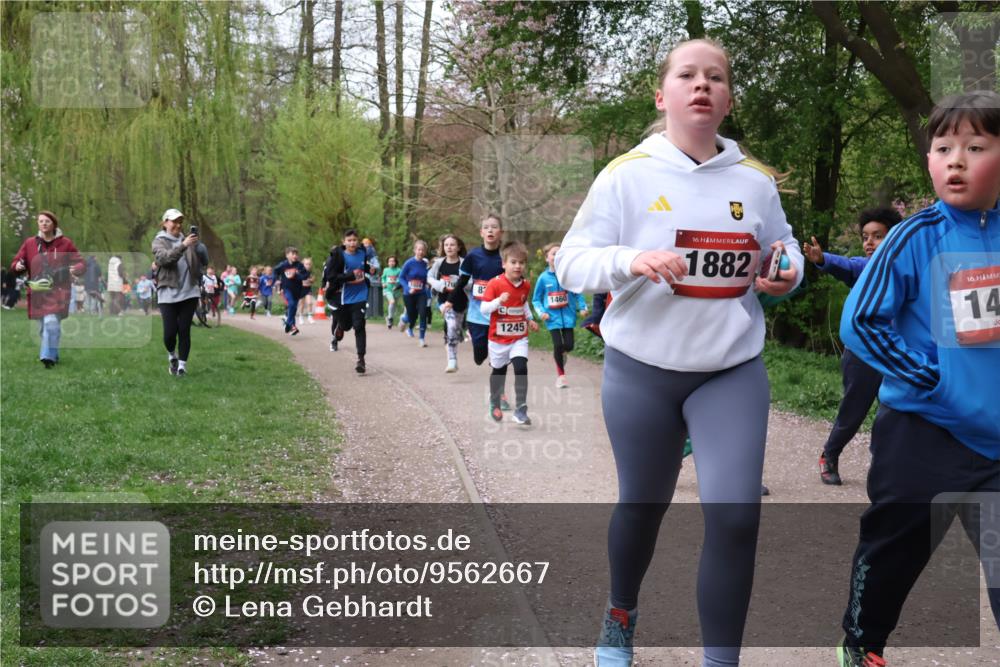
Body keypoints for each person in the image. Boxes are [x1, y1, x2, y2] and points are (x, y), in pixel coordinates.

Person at [555, 39, 802, 667]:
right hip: (642, 371)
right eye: (687, 75)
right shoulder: (626, 174)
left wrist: (787, 272)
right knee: (643, 505)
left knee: (736, 516)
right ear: (662, 95)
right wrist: (630, 258)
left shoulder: (755, 182)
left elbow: (785, 247)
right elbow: (572, 263)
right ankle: (620, 615)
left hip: (729, 371)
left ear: (727, 100)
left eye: (715, 77)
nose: (702, 85)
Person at [834, 90, 1000, 667]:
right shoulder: (915, 236)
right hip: (922, 432)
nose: (956, 161)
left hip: (997, 443)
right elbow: (861, 322)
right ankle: (862, 646)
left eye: (975, 147)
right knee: (893, 552)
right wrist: (932, 378)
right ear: (929, 159)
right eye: (943, 148)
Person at [802, 208, 901, 485]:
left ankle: (885, 468)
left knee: (894, 413)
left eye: (877, 236)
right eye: (865, 237)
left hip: (894, 354)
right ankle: (829, 455)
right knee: (853, 411)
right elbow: (845, 265)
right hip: (861, 354)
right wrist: (822, 259)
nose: (869, 242)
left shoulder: (908, 268)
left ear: (894, 237)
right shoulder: (865, 268)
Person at [9, 210, 85, 368]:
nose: (44, 224)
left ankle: (46, 357)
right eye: (41, 221)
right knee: (44, 328)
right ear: (38, 224)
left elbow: (81, 263)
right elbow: (16, 263)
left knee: (51, 322)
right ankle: (53, 355)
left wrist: (75, 268)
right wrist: (17, 266)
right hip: (37, 292)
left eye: (47, 221)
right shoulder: (30, 243)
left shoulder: (65, 243)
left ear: (54, 224)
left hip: (58, 291)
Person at [481, 241, 539, 424]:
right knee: (499, 371)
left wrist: (529, 319)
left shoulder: (526, 285)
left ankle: (521, 408)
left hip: (518, 337)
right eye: (513, 262)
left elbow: (523, 303)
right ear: (504, 263)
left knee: (521, 367)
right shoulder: (495, 284)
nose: (518, 266)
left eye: (521, 262)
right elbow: (484, 309)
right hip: (498, 339)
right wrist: (498, 301)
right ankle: (495, 402)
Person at [152, 208, 208, 376]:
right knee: (169, 334)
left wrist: (200, 249)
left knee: (184, 330)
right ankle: (172, 355)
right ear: (165, 223)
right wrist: (183, 246)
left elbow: (202, 263)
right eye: (174, 221)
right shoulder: (159, 241)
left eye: (180, 222)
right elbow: (164, 259)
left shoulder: (189, 240)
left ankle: (182, 366)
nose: (178, 225)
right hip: (167, 292)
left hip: (189, 291)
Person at [532, 242, 588, 387]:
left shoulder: (568, 277)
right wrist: (541, 312)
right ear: (547, 258)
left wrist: (583, 307)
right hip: (552, 318)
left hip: (568, 317)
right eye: (554, 254)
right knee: (558, 344)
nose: (557, 256)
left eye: (560, 254)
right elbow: (536, 299)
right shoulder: (543, 278)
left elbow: (578, 293)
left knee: (569, 345)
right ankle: (561, 376)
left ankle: (563, 353)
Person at [322, 229, 371, 373]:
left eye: (354, 240)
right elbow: (331, 277)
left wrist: (369, 269)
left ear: (358, 241)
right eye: (349, 240)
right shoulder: (338, 256)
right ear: (344, 242)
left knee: (359, 325)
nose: (352, 243)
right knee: (346, 326)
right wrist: (350, 276)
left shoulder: (362, 252)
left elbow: (362, 266)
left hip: (360, 294)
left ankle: (361, 360)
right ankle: (340, 327)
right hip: (343, 296)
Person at [429, 234, 469, 373]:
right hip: (444, 301)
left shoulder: (464, 263)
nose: (449, 247)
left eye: (452, 245)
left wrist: (461, 285)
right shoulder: (439, 263)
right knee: (451, 325)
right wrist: (440, 285)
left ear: (458, 247)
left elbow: (471, 281)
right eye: (446, 245)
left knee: (455, 326)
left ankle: (457, 333)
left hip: (460, 302)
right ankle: (452, 360)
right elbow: (429, 277)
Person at [399, 240, 431, 346]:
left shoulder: (425, 264)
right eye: (419, 249)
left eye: (423, 250)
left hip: (421, 293)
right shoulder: (409, 263)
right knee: (412, 316)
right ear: (415, 250)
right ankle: (405, 319)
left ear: (425, 252)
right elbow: (401, 278)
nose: (421, 252)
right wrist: (408, 288)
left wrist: (428, 283)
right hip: (409, 294)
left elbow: (427, 278)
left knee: (423, 313)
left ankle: (422, 339)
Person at [273, 247, 308, 336]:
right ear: (287, 255)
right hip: (286, 289)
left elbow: (305, 275)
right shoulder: (283, 265)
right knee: (291, 304)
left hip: (297, 289)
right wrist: (276, 280)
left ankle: (290, 325)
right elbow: (275, 271)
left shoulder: (299, 265)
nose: (295, 256)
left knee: (294, 308)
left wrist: (297, 275)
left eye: (296, 254)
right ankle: (289, 323)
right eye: (293, 254)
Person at [381, 256, 402, 329]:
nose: (391, 263)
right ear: (388, 263)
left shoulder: (399, 270)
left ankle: (389, 318)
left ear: (395, 262)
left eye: (393, 261)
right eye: (390, 261)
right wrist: (383, 283)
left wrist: (396, 282)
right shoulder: (386, 270)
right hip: (387, 289)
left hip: (396, 290)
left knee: (394, 306)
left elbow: (401, 279)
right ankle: (390, 318)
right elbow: (383, 278)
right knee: (392, 302)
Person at [298, 257, 316, 324]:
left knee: (309, 302)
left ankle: (310, 317)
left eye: (309, 264)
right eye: (306, 264)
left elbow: (313, 280)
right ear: (303, 264)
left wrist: (311, 280)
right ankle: (300, 317)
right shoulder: (300, 271)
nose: (308, 265)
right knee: (302, 304)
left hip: (308, 289)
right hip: (301, 289)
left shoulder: (311, 272)